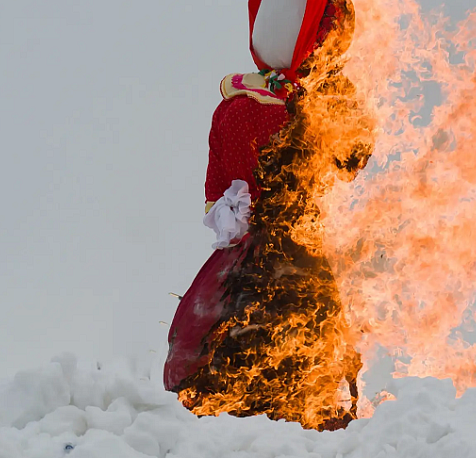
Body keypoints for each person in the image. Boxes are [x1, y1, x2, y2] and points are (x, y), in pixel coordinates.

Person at [163, 0, 373, 431]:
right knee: (305, 371)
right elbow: (353, 160)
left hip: (239, 262)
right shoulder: (316, 106)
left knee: (229, 368)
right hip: (298, 259)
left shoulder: (231, 107)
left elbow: (216, 194)